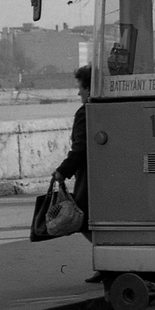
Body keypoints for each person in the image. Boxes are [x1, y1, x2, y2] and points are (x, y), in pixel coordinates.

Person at [50, 65, 98, 283]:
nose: (79, 93)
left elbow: (80, 148)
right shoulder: (104, 108)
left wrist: (62, 171)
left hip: (89, 176)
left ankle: (106, 264)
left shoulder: (84, 113)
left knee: (84, 219)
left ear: (89, 88)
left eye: (81, 88)